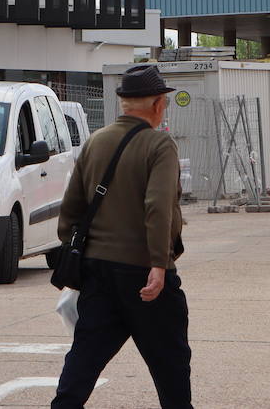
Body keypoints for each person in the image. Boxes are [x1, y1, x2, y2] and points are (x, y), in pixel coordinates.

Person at [53, 64, 190, 409]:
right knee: (170, 366)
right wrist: (158, 264)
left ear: (123, 103)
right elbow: (157, 207)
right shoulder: (159, 145)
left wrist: (84, 257)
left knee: (84, 360)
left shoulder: (95, 142)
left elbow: (69, 211)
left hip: (98, 273)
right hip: (144, 274)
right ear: (158, 104)